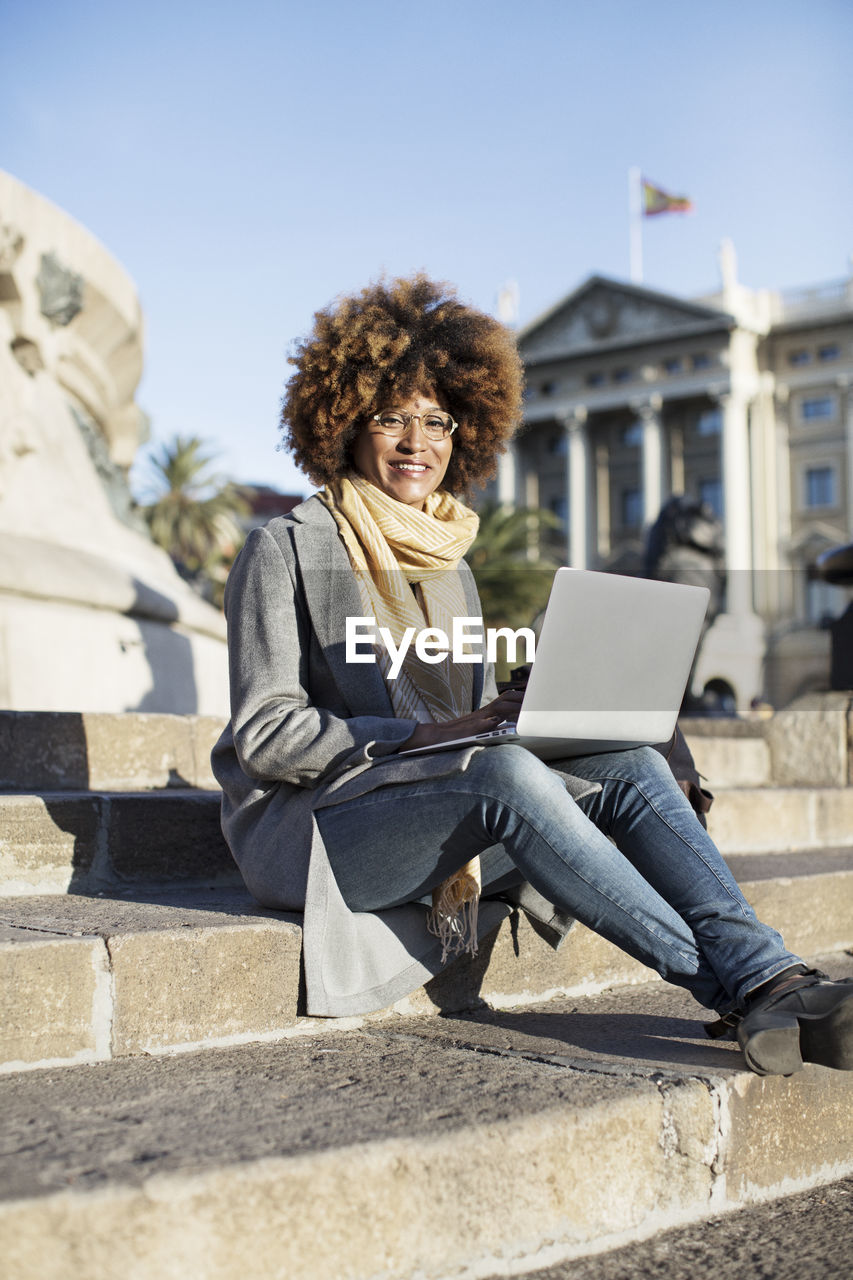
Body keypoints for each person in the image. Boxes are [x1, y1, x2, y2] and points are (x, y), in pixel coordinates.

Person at [211, 274, 853, 1077]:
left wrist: (522, 707)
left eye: (437, 420)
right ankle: (743, 987)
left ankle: (768, 973)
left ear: (464, 431)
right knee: (508, 776)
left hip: (434, 798)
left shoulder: (450, 565)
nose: (418, 441)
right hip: (317, 829)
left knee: (627, 763)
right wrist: (432, 732)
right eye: (393, 418)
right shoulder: (287, 546)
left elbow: (468, 725)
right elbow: (267, 735)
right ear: (344, 423)